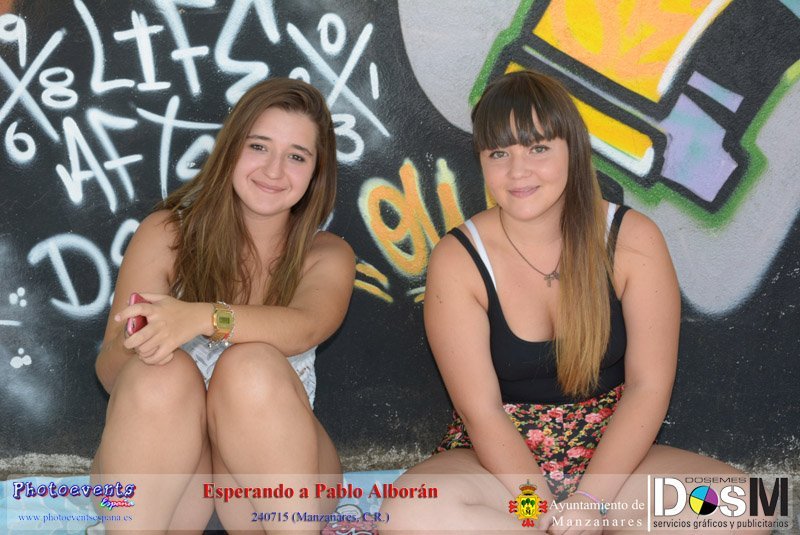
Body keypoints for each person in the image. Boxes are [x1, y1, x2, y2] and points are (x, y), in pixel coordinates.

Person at [380, 70, 750, 533]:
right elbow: (481, 412)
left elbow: (648, 387)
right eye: (499, 153)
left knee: (744, 506)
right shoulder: (459, 259)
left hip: (611, 463)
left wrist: (590, 502)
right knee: (408, 512)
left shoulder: (632, 240)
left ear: (572, 150)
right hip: (503, 471)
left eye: (538, 148)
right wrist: (538, 513)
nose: (518, 171)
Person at [91, 78, 355, 533]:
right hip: (172, 488)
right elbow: (109, 374)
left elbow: (307, 326)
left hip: (268, 489)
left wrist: (199, 317)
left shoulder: (326, 254)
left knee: (250, 366)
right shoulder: (167, 234)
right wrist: (144, 342)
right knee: (159, 373)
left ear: (317, 172)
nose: (273, 170)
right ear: (230, 149)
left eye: (296, 156)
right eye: (258, 146)